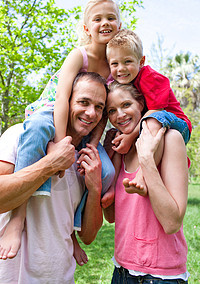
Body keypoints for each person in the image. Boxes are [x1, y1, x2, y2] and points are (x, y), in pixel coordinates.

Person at [0, 0, 121, 262]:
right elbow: (62, 96)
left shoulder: (115, 65)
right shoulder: (80, 55)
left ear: (119, 25)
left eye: (111, 18)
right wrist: (60, 141)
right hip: (51, 111)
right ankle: (17, 219)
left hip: (85, 127)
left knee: (107, 171)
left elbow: (101, 116)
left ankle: (72, 233)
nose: (105, 23)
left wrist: (91, 145)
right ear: (87, 28)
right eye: (97, 19)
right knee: (35, 135)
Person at [0, 72, 107, 283]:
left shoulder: (88, 159)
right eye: (83, 102)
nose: (91, 113)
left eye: (99, 107)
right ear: (66, 101)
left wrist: (95, 189)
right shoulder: (19, 136)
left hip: (60, 276)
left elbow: (88, 236)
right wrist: (50, 164)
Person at [104, 81, 190, 283]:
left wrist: (147, 161)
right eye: (111, 110)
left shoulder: (170, 139)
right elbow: (111, 216)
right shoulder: (120, 149)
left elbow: (171, 223)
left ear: (141, 104)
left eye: (126, 105)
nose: (120, 115)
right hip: (122, 270)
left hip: (160, 276)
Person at [105, 29, 192, 192]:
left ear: (141, 61)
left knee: (152, 119)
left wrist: (130, 137)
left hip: (178, 124)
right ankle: (111, 189)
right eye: (115, 64)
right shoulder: (128, 82)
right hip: (157, 122)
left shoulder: (150, 77)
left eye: (127, 61)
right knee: (115, 134)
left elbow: (156, 110)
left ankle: (143, 175)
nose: (121, 69)